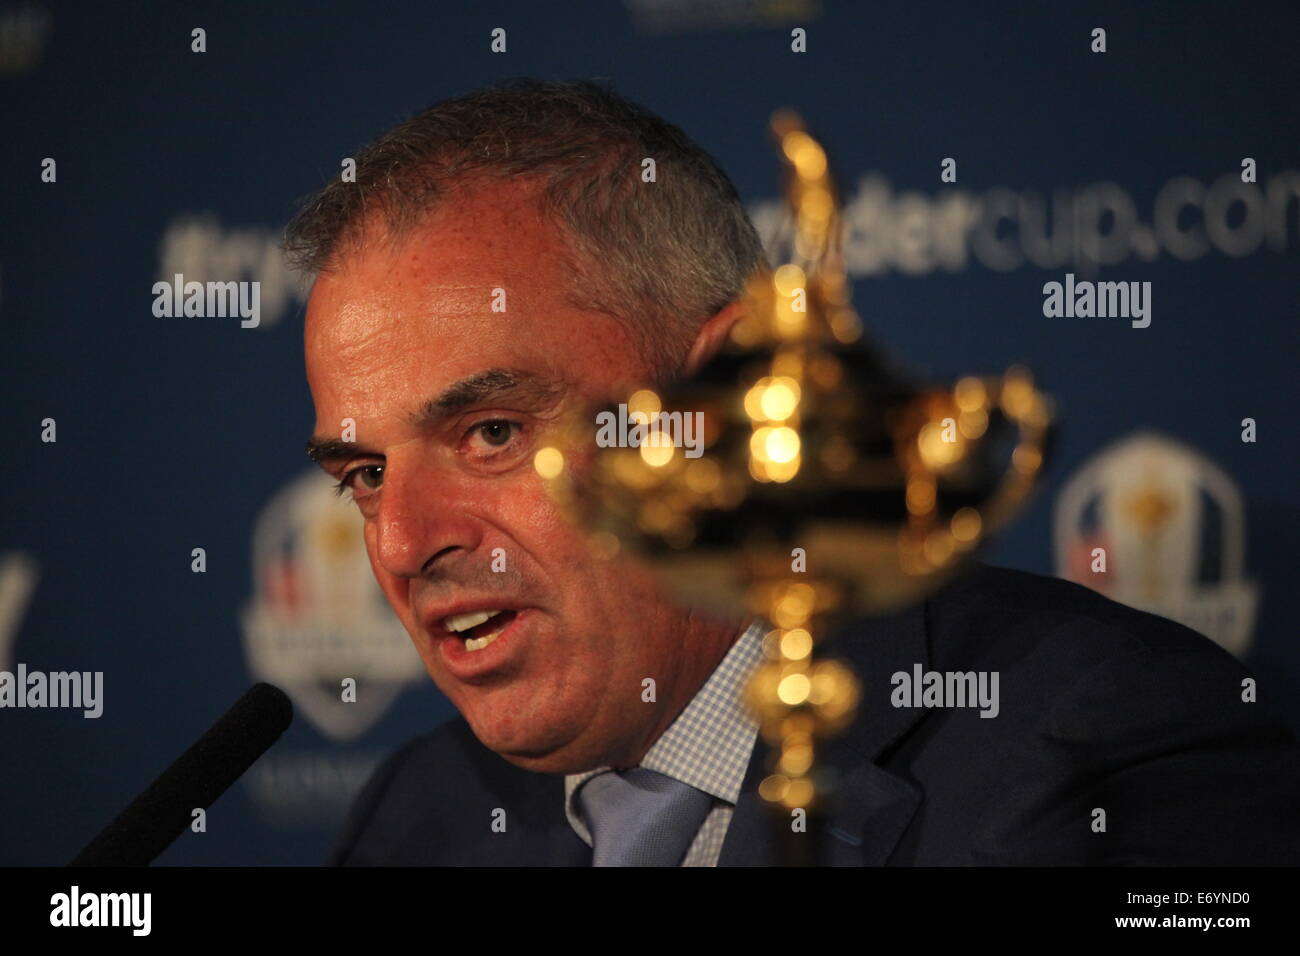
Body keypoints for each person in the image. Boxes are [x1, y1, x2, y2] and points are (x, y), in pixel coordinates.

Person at [287, 79, 1300, 866]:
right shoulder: (420, 815)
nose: (406, 543)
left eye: (492, 432)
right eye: (365, 472)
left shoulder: (1099, 745)